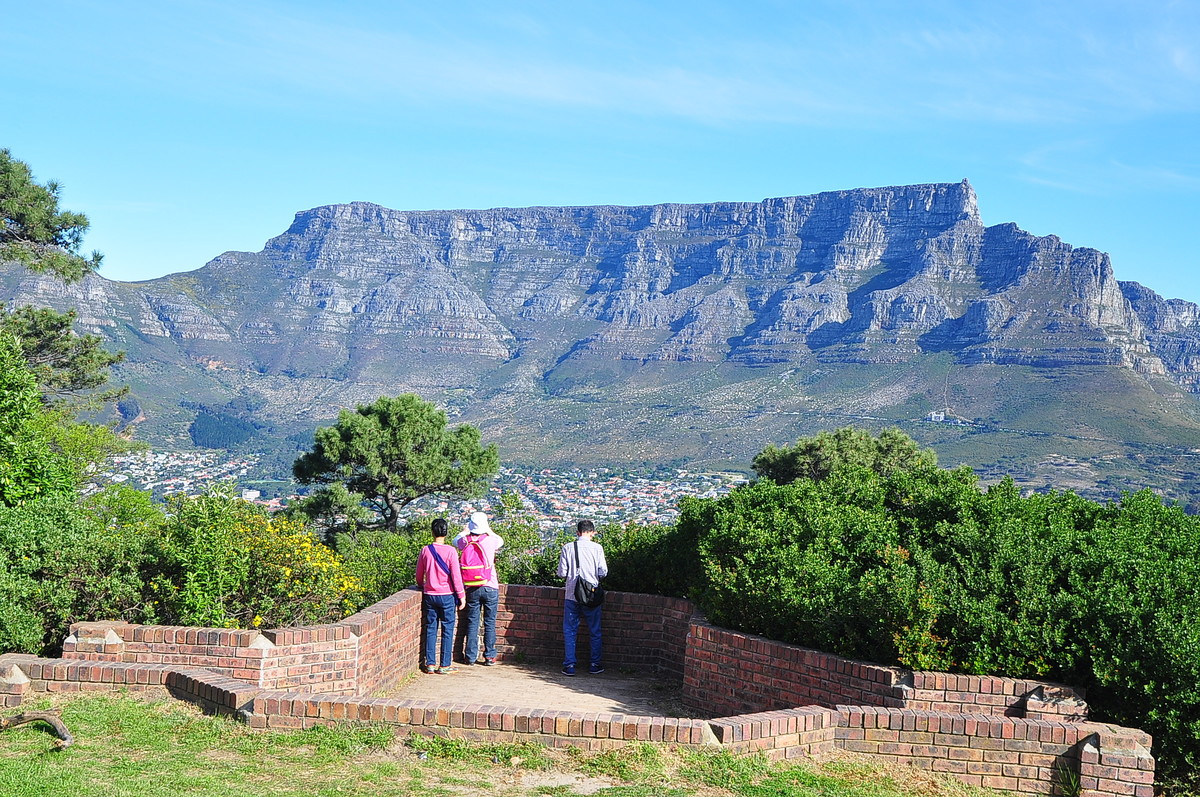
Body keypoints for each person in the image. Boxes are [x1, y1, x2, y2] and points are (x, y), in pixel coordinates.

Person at [414, 518, 466, 674]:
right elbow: (456, 576)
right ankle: (444, 665)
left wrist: (423, 585)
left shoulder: (425, 550)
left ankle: (430, 663)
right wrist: (461, 595)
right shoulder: (451, 551)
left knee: (431, 628)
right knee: (447, 629)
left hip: (430, 594)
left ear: (432, 531)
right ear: (446, 532)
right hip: (447, 595)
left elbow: (418, 574)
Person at [557, 519, 608, 676]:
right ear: (592, 532)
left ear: (577, 532)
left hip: (572, 594)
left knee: (570, 630)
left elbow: (561, 573)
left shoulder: (568, 548)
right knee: (595, 630)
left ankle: (570, 665)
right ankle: (594, 663)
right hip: (591, 595)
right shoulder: (597, 548)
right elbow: (603, 572)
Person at [453, 510, 505, 665]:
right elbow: (500, 540)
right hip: (490, 585)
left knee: (472, 621)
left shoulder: (465, 541)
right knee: (489, 622)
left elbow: (455, 540)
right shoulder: (490, 540)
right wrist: (489, 530)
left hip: (472, 586)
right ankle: (489, 656)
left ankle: (470, 656)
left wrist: (465, 531)